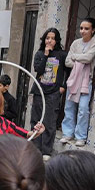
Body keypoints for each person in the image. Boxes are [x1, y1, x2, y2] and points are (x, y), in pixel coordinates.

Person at [61, 18, 95, 147]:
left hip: (86, 80)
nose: (83, 31)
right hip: (74, 80)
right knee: (69, 107)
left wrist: (76, 58)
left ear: (93, 30)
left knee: (83, 108)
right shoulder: (75, 43)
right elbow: (67, 62)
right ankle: (67, 133)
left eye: (86, 28)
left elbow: (89, 58)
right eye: (81, 28)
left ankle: (80, 136)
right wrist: (80, 61)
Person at [31, 28, 68, 159]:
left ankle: (46, 151)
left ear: (56, 40)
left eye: (52, 38)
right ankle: (35, 148)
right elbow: (38, 70)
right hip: (39, 90)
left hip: (53, 92)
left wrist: (63, 86)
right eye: (47, 38)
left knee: (49, 121)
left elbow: (68, 72)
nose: (50, 40)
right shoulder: (40, 53)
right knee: (36, 119)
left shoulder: (62, 55)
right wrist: (46, 55)